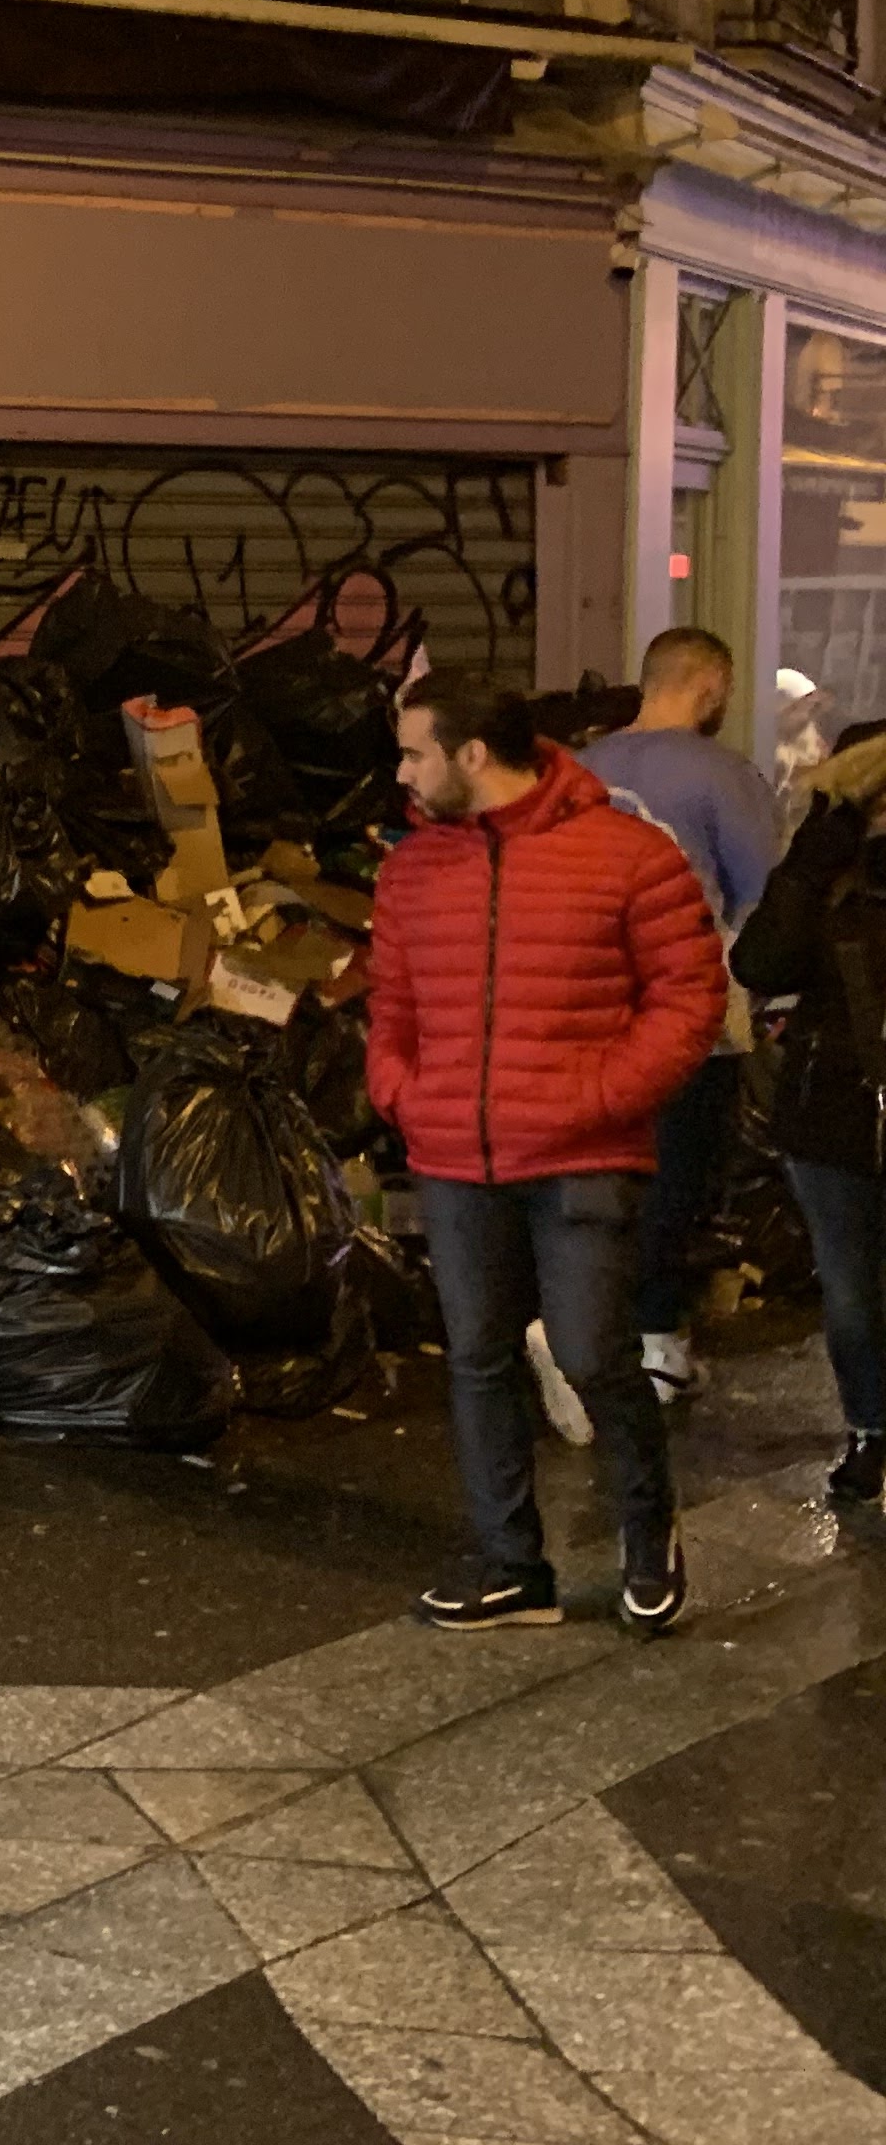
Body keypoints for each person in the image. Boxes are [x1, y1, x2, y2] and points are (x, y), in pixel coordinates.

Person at [367, 666, 725, 1636]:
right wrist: (401, 1091)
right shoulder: (412, 870)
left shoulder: (628, 855)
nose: (402, 772)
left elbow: (692, 997)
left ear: (472, 754)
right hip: (453, 1157)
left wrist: (598, 1098)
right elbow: (391, 1005)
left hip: (582, 1157)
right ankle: (512, 1567)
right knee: (478, 1359)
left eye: (414, 753)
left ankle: (648, 1533)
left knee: (593, 1352)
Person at [578, 626, 784, 1404]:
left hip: (588, 1004)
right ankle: (657, 1339)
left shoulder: (580, 768)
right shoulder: (722, 774)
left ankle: (585, 1331)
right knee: (678, 1173)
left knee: (596, 1174)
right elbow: (763, 895)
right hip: (689, 1008)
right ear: (711, 687)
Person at [723, 715, 886, 1508]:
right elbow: (760, 962)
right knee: (851, 1291)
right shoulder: (823, 873)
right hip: (833, 1113)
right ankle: (870, 1431)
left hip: (834, 1106)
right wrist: (817, 857)